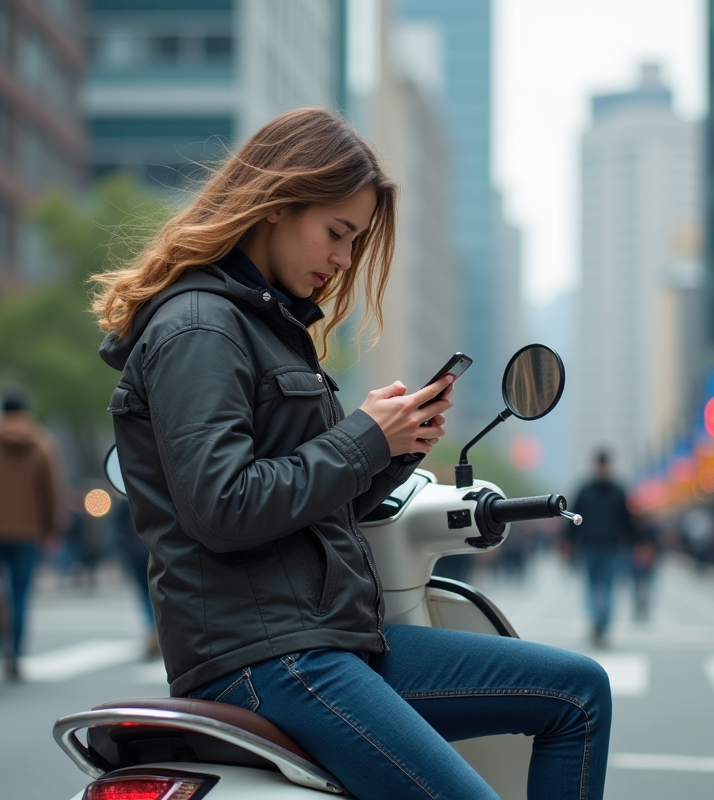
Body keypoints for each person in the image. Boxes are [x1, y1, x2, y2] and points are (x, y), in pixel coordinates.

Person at [93, 108, 611, 799]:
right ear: (275, 204)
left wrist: (393, 449)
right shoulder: (201, 326)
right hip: (267, 656)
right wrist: (364, 436)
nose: (343, 260)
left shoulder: (267, 324)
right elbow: (224, 506)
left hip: (327, 641)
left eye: (354, 240)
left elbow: (304, 504)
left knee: (579, 692)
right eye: (337, 234)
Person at [0, 392, 63, 680]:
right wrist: (51, 528)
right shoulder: (42, 443)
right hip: (29, 531)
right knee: (20, 594)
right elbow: (50, 491)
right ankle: (14, 652)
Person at [564, 450, 649, 644]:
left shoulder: (586, 490)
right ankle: (600, 622)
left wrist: (569, 540)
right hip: (600, 546)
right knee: (602, 587)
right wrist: (639, 541)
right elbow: (627, 522)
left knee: (597, 587)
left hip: (601, 546)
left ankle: (598, 622)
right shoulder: (616, 491)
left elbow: (573, 519)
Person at [110, 496, 159, 659]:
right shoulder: (151, 494)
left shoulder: (125, 502)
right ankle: (155, 635)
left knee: (147, 595)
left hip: (138, 553)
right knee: (152, 594)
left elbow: (118, 530)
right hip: (146, 552)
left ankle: (154, 635)